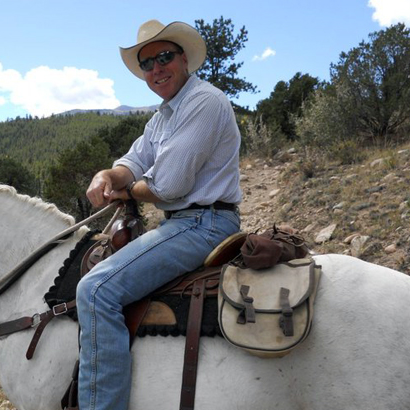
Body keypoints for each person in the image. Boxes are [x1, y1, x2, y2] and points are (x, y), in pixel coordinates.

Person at [76, 19, 242, 410]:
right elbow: (133, 161)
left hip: (203, 224)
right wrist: (108, 175)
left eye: (164, 57)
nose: (156, 69)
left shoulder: (204, 101)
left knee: (96, 290)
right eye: (148, 63)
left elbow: (168, 186)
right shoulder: (163, 116)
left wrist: (126, 190)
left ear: (184, 59)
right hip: (190, 222)